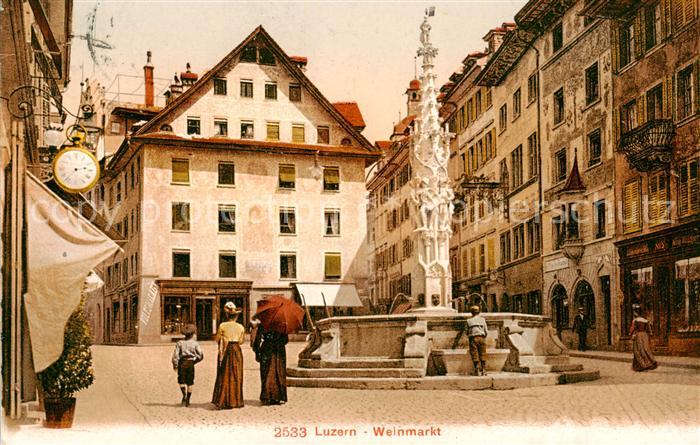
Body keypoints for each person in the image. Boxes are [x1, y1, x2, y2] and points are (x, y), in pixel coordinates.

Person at [211, 302, 245, 409]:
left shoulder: (222, 325)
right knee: (236, 374)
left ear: (227, 315)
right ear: (236, 316)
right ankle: (235, 400)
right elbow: (241, 341)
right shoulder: (240, 327)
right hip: (236, 350)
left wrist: (224, 340)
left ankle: (223, 399)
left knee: (224, 374)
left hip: (226, 350)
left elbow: (217, 339)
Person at [252, 319, 289, 405]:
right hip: (279, 349)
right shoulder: (282, 323)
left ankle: (267, 395)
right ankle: (279, 396)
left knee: (266, 371)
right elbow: (286, 339)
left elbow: (258, 339)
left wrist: (257, 351)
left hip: (267, 348)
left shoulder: (264, 323)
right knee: (279, 371)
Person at [171, 323, 203, 407]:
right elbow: (200, 355)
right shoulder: (195, 343)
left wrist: (175, 364)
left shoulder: (180, 343)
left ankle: (184, 395)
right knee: (190, 382)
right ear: (192, 334)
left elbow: (175, 355)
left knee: (181, 381)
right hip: (190, 363)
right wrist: (195, 361)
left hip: (182, 362)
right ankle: (188, 399)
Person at [629, 308, 658, 372]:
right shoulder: (646, 321)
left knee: (638, 350)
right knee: (646, 349)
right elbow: (649, 331)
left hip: (638, 335)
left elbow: (632, 329)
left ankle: (642, 365)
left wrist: (630, 334)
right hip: (645, 335)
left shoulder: (635, 320)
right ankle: (651, 362)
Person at [466, 305, 488, 376]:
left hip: (473, 338)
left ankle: (477, 370)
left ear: (471, 312)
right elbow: (486, 330)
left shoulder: (468, 321)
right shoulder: (482, 320)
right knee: (483, 353)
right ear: (479, 312)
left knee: (474, 353)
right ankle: (484, 370)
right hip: (481, 337)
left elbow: (467, 331)